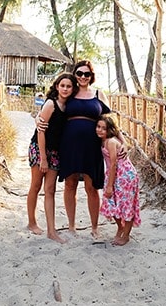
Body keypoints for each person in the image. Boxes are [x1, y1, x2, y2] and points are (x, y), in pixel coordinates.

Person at [37, 59, 125, 239]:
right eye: (79, 73)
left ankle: (94, 227)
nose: (83, 77)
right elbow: (51, 106)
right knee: (70, 184)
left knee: (92, 187)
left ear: (91, 76)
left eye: (87, 74)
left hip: (92, 146)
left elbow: (111, 122)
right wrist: (37, 118)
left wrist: (122, 141)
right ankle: (71, 226)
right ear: (75, 74)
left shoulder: (99, 94)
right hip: (69, 145)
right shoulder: (70, 91)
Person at [26, 72, 78, 243]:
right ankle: (32, 222)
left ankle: (51, 230)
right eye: (62, 85)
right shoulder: (51, 104)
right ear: (57, 86)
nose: (65, 89)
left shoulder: (69, 107)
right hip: (40, 148)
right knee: (35, 185)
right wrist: (43, 158)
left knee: (50, 190)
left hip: (55, 152)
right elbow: (41, 130)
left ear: (72, 89)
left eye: (68, 86)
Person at [96, 114, 141, 246]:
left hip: (124, 175)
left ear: (109, 130)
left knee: (126, 204)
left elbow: (114, 163)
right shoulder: (103, 140)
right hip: (113, 174)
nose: (99, 130)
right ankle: (120, 227)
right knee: (111, 203)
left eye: (103, 128)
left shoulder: (110, 142)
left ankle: (126, 235)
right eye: (98, 126)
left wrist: (109, 186)